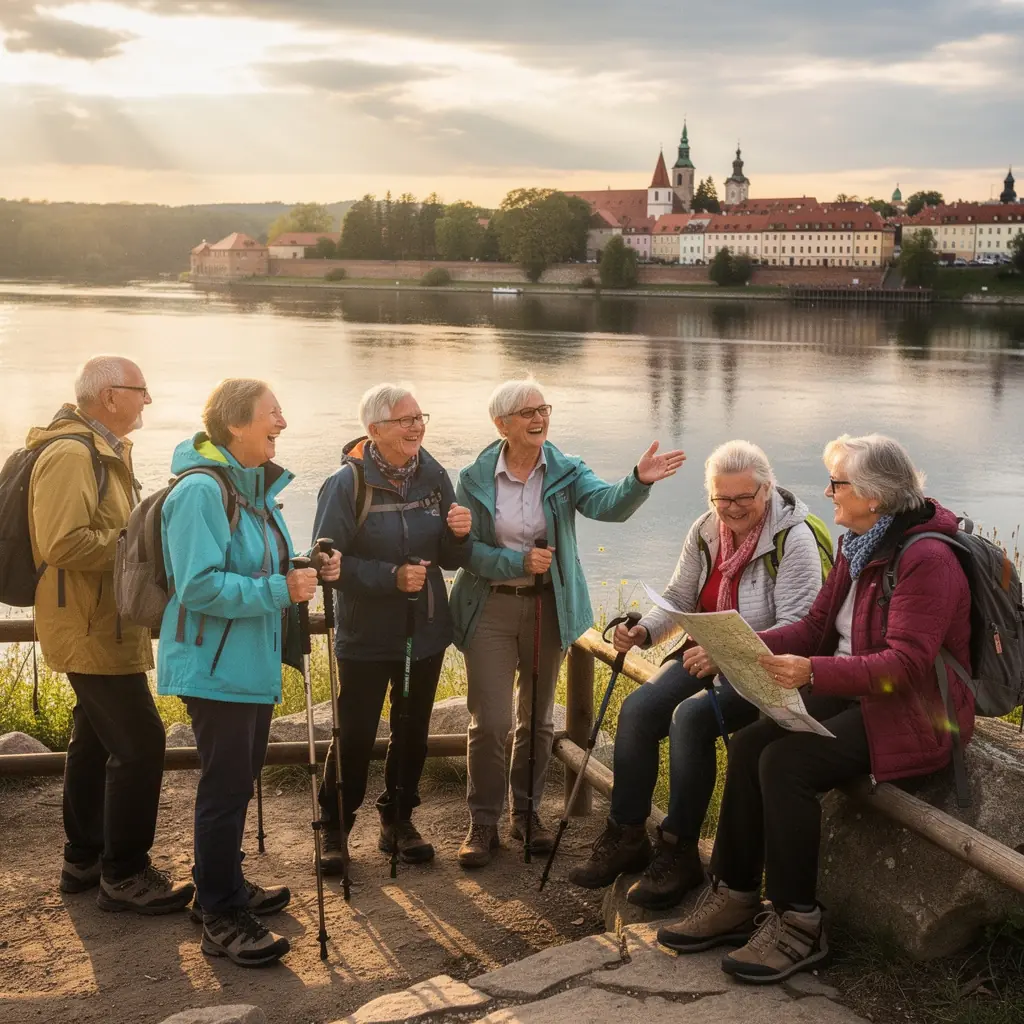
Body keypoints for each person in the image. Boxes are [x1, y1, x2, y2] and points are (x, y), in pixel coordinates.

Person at [658, 434, 974, 984]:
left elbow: (905, 666)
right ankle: (734, 896)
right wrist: (744, 649)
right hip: (858, 689)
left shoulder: (928, 558)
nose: (827, 492)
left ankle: (800, 923)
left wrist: (812, 671)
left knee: (787, 763)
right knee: (755, 742)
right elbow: (813, 627)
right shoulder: (863, 543)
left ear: (873, 495)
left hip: (913, 711)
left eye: (838, 483)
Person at [569, 440, 826, 910]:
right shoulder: (707, 528)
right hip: (706, 650)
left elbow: (799, 630)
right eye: (720, 498)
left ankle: (679, 850)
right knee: (639, 708)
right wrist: (643, 631)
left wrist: (727, 655)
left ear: (766, 491)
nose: (730, 509)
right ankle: (627, 835)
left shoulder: (795, 541)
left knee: (690, 718)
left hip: (765, 668)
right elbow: (680, 597)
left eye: (742, 499)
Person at [451, 377, 687, 868]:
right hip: (489, 606)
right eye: (527, 412)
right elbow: (465, 551)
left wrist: (637, 481)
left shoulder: (564, 470)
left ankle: (528, 814)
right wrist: (515, 564)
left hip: (547, 607)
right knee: (490, 720)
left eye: (544, 409)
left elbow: (606, 504)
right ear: (502, 424)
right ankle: (484, 821)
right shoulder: (473, 477)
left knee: (536, 717)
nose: (539, 419)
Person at [158, 378, 340, 967]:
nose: (283, 422)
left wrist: (307, 565)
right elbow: (197, 584)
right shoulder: (201, 493)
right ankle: (219, 913)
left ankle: (223, 888)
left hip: (245, 660)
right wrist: (278, 587)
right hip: (215, 665)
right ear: (236, 424)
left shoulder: (253, 490)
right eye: (274, 413)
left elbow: (261, 564)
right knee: (225, 786)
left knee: (236, 782)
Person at [27, 355, 194, 913]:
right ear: (109, 396)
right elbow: (61, 543)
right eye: (141, 390)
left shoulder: (102, 451)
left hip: (101, 620)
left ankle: (84, 859)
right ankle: (124, 874)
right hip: (87, 624)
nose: (148, 400)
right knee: (142, 742)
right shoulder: (73, 454)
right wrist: (138, 548)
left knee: (95, 740)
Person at [313, 383, 472, 870]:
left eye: (420, 417)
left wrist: (460, 535)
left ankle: (398, 819)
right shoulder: (346, 484)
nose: (417, 426)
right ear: (374, 429)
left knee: (413, 731)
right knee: (357, 733)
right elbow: (326, 562)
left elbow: (448, 557)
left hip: (422, 630)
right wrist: (390, 578)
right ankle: (336, 827)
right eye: (405, 420)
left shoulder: (435, 475)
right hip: (365, 635)